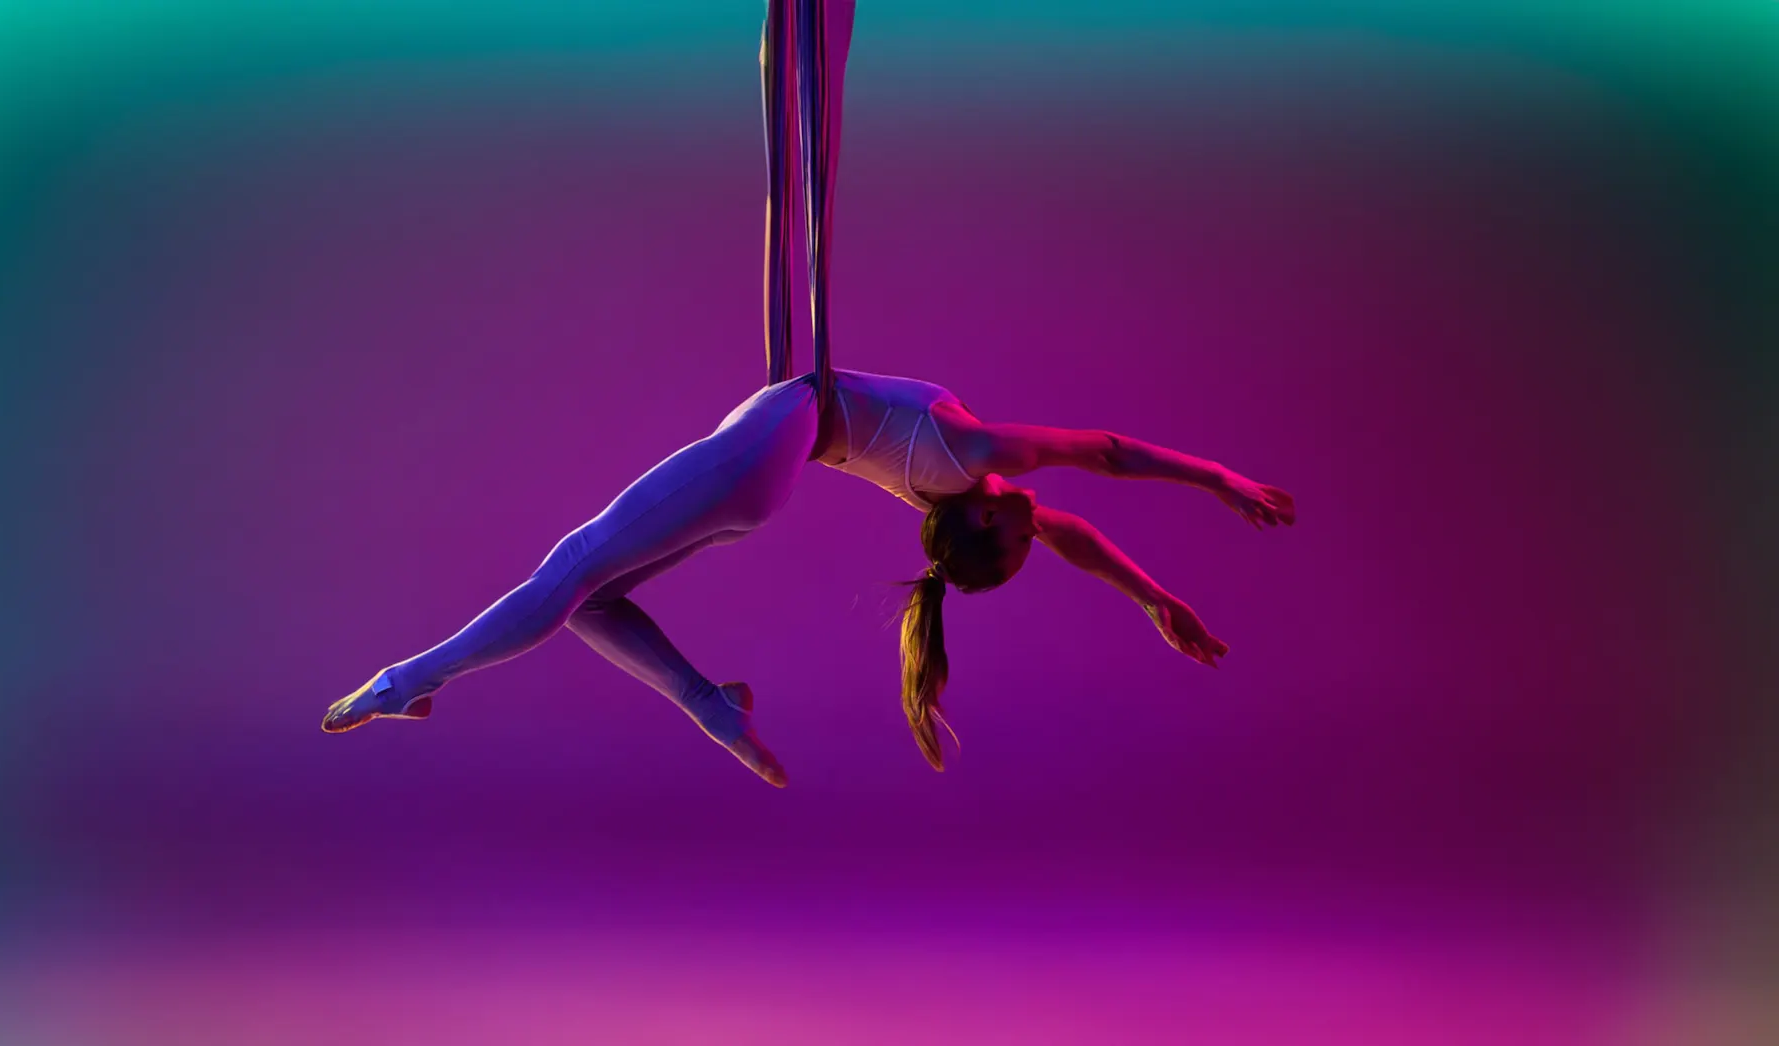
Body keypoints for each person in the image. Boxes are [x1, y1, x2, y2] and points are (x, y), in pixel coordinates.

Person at [319, 2, 1298, 787]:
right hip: (775, 442)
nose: (1028, 518)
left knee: (568, 569)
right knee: (590, 598)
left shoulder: (973, 460)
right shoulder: (951, 492)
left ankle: (406, 678)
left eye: (1010, 535)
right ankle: (713, 707)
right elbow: (1072, 533)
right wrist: (1155, 597)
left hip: (775, 434)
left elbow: (1109, 450)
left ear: (981, 522)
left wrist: (1214, 478)